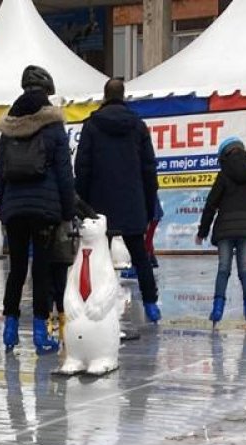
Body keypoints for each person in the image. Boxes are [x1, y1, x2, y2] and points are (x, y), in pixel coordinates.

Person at [0, 65, 76, 356]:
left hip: (14, 210)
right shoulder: (53, 126)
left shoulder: (9, 128)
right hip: (44, 210)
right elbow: (65, 174)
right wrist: (68, 213)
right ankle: (41, 334)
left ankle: (10, 329)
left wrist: (3, 209)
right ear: (47, 92)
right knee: (41, 270)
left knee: (16, 269)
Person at [74, 78, 161, 323]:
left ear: (104, 96)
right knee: (140, 255)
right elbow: (149, 168)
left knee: (97, 257)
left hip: (99, 202)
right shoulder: (138, 126)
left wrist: (83, 206)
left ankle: (94, 305)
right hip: (132, 200)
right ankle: (151, 305)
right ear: (123, 96)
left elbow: (82, 167)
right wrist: (148, 204)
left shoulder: (91, 126)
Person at [197, 137, 246, 326]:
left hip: (225, 228)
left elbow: (211, 204)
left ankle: (217, 310)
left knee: (223, 269)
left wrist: (202, 232)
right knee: (244, 269)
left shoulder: (223, 174)